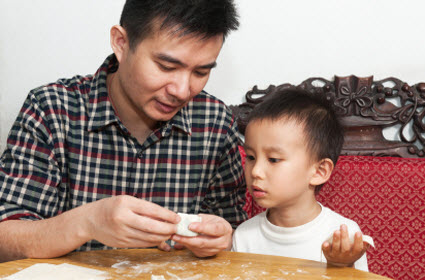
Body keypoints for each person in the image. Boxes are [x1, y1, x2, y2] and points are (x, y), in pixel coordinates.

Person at [0, 0, 248, 262]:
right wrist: (88, 222)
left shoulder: (215, 124)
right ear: (121, 43)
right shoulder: (52, 111)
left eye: (200, 72)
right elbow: (5, 238)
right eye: (166, 67)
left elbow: (234, 232)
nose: (182, 90)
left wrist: (222, 238)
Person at [232, 88, 371, 271]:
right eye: (250, 157)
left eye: (273, 159)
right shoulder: (244, 236)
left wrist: (341, 267)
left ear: (319, 171)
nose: (255, 171)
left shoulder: (342, 236)